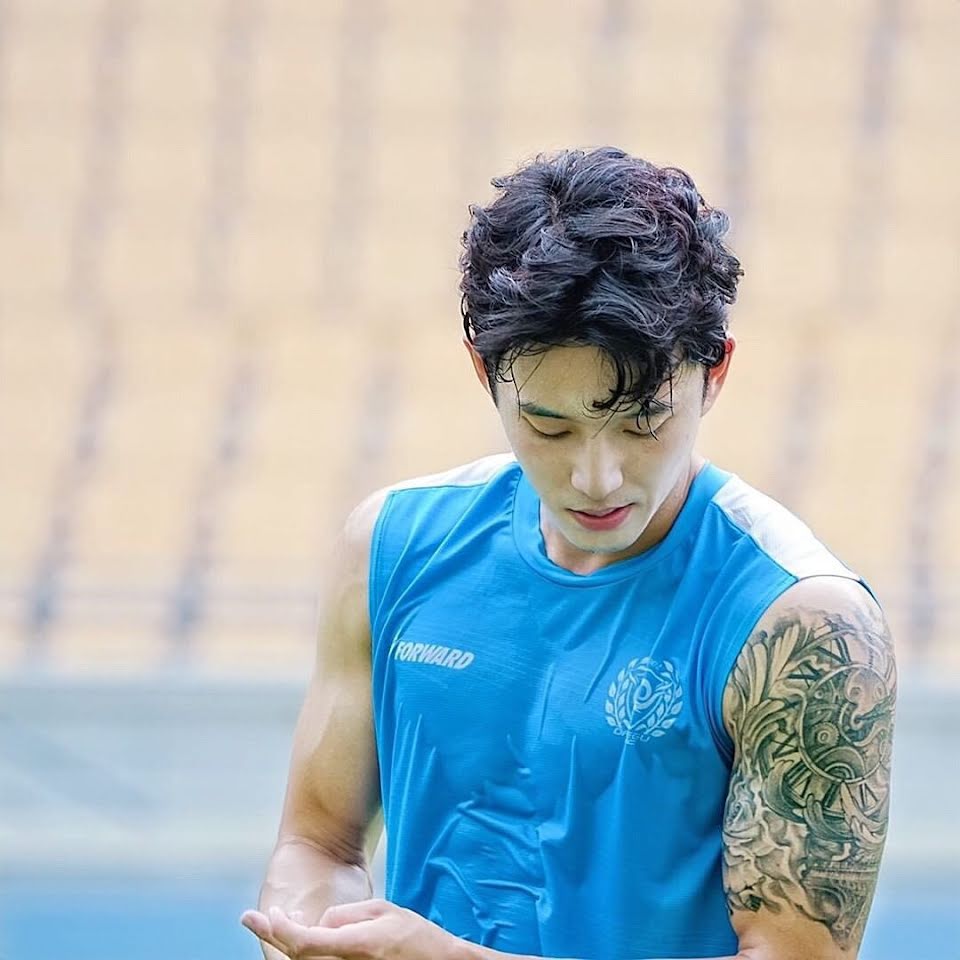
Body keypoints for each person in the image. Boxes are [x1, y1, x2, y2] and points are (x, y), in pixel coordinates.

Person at [241, 147, 896, 960]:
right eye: (549, 427)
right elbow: (316, 844)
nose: (597, 477)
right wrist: (307, 934)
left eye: (643, 422)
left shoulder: (804, 625)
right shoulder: (390, 547)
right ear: (484, 372)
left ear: (715, 372)